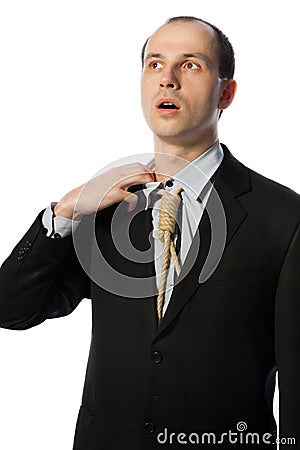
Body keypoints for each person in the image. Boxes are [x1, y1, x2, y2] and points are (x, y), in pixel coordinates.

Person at [0, 15, 299, 450]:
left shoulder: (284, 217)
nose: (169, 80)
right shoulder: (104, 211)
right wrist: (63, 212)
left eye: (191, 65)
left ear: (226, 93)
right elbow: (11, 310)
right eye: (155, 64)